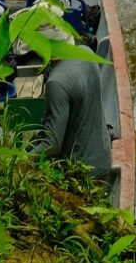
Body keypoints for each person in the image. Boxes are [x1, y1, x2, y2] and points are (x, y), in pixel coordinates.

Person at [31, 52, 113, 183]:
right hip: (104, 158)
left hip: (82, 173)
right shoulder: (86, 52)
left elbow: (52, 145)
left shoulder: (56, 83)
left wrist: (22, 158)